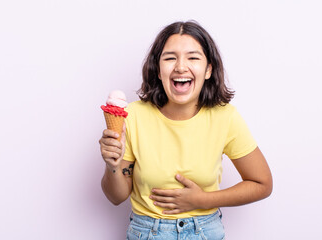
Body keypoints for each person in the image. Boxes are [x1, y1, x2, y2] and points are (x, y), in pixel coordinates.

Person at [99, 21, 273, 240]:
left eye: (193, 57)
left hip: (205, 231)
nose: (180, 66)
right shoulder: (132, 116)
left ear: (208, 69)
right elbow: (116, 197)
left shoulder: (225, 117)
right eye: (170, 58)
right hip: (148, 232)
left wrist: (203, 200)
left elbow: (262, 183)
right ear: (158, 70)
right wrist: (112, 165)